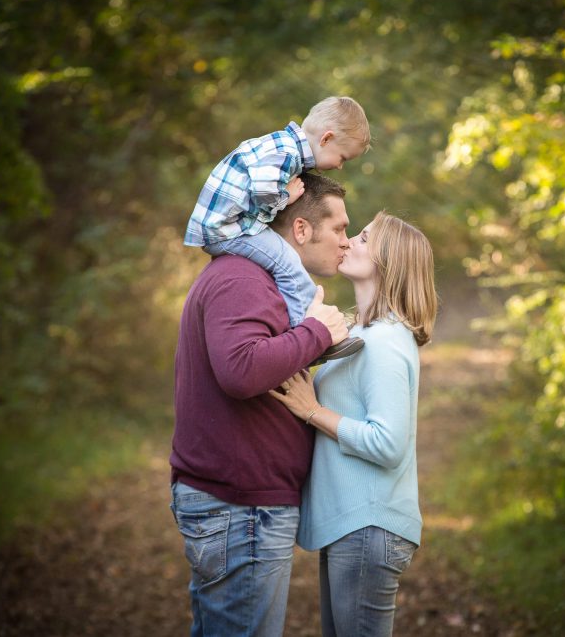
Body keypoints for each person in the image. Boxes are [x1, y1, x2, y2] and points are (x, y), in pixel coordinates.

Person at [170, 173, 354, 636]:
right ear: (301, 230)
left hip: (243, 506)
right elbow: (241, 370)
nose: (347, 243)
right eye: (340, 229)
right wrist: (316, 332)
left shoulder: (258, 280)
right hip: (240, 506)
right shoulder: (243, 279)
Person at [269, 211, 437, 636]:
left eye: (362, 237)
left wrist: (313, 411)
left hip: (369, 525)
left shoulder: (385, 342)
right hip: (353, 524)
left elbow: (388, 442)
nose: (348, 242)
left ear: (389, 261)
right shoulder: (363, 334)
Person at [183, 96, 370, 363]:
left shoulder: (281, 145)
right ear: (326, 139)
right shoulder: (286, 153)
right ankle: (308, 332)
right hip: (227, 229)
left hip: (226, 226)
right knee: (288, 263)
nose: (340, 166)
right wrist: (287, 197)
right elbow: (262, 190)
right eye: (342, 158)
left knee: (284, 263)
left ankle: (304, 331)